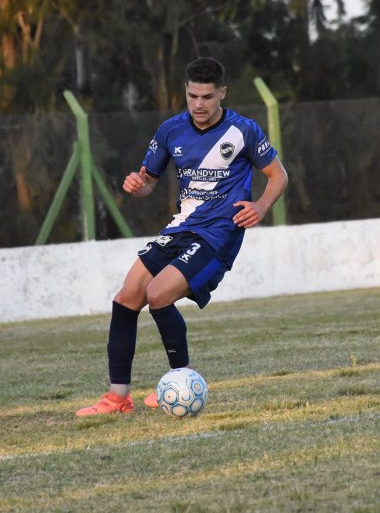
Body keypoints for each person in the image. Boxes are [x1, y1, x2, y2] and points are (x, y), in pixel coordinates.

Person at [76, 57, 288, 416]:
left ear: (222, 93)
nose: (199, 105)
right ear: (186, 93)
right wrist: (137, 185)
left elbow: (278, 174)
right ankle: (118, 397)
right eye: (192, 96)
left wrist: (262, 206)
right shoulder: (171, 130)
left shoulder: (244, 131)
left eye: (207, 96)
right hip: (180, 228)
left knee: (158, 295)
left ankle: (183, 378)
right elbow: (148, 184)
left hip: (218, 235)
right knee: (127, 296)